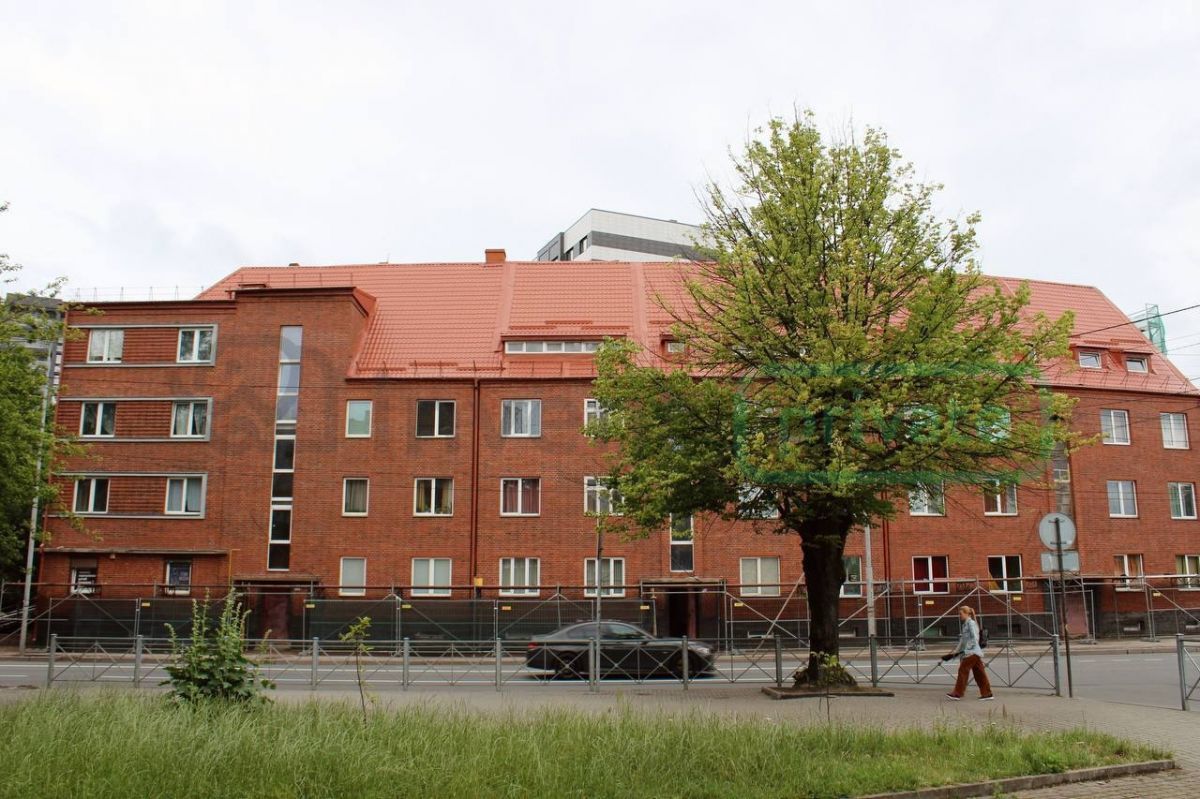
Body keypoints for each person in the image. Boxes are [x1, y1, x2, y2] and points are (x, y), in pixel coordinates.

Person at [942, 606, 993, 700]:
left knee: (963, 670)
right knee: (979, 673)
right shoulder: (965, 625)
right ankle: (987, 694)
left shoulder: (971, 623)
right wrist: (955, 652)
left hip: (972, 652)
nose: (959, 616)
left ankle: (957, 693)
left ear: (967, 614)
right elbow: (962, 640)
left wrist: (966, 649)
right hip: (972, 652)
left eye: (961, 614)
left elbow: (975, 638)